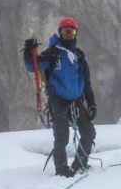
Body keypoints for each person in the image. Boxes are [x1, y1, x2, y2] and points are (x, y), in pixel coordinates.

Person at [23, 16, 97, 177]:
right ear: (61, 34)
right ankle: (62, 169)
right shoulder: (53, 53)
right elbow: (32, 66)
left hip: (76, 99)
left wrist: (91, 103)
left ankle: (79, 164)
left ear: (75, 34)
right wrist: (29, 53)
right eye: (65, 32)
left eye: (71, 32)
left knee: (89, 132)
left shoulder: (79, 56)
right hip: (58, 100)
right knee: (62, 137)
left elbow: (86, 81)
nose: (68, 35)